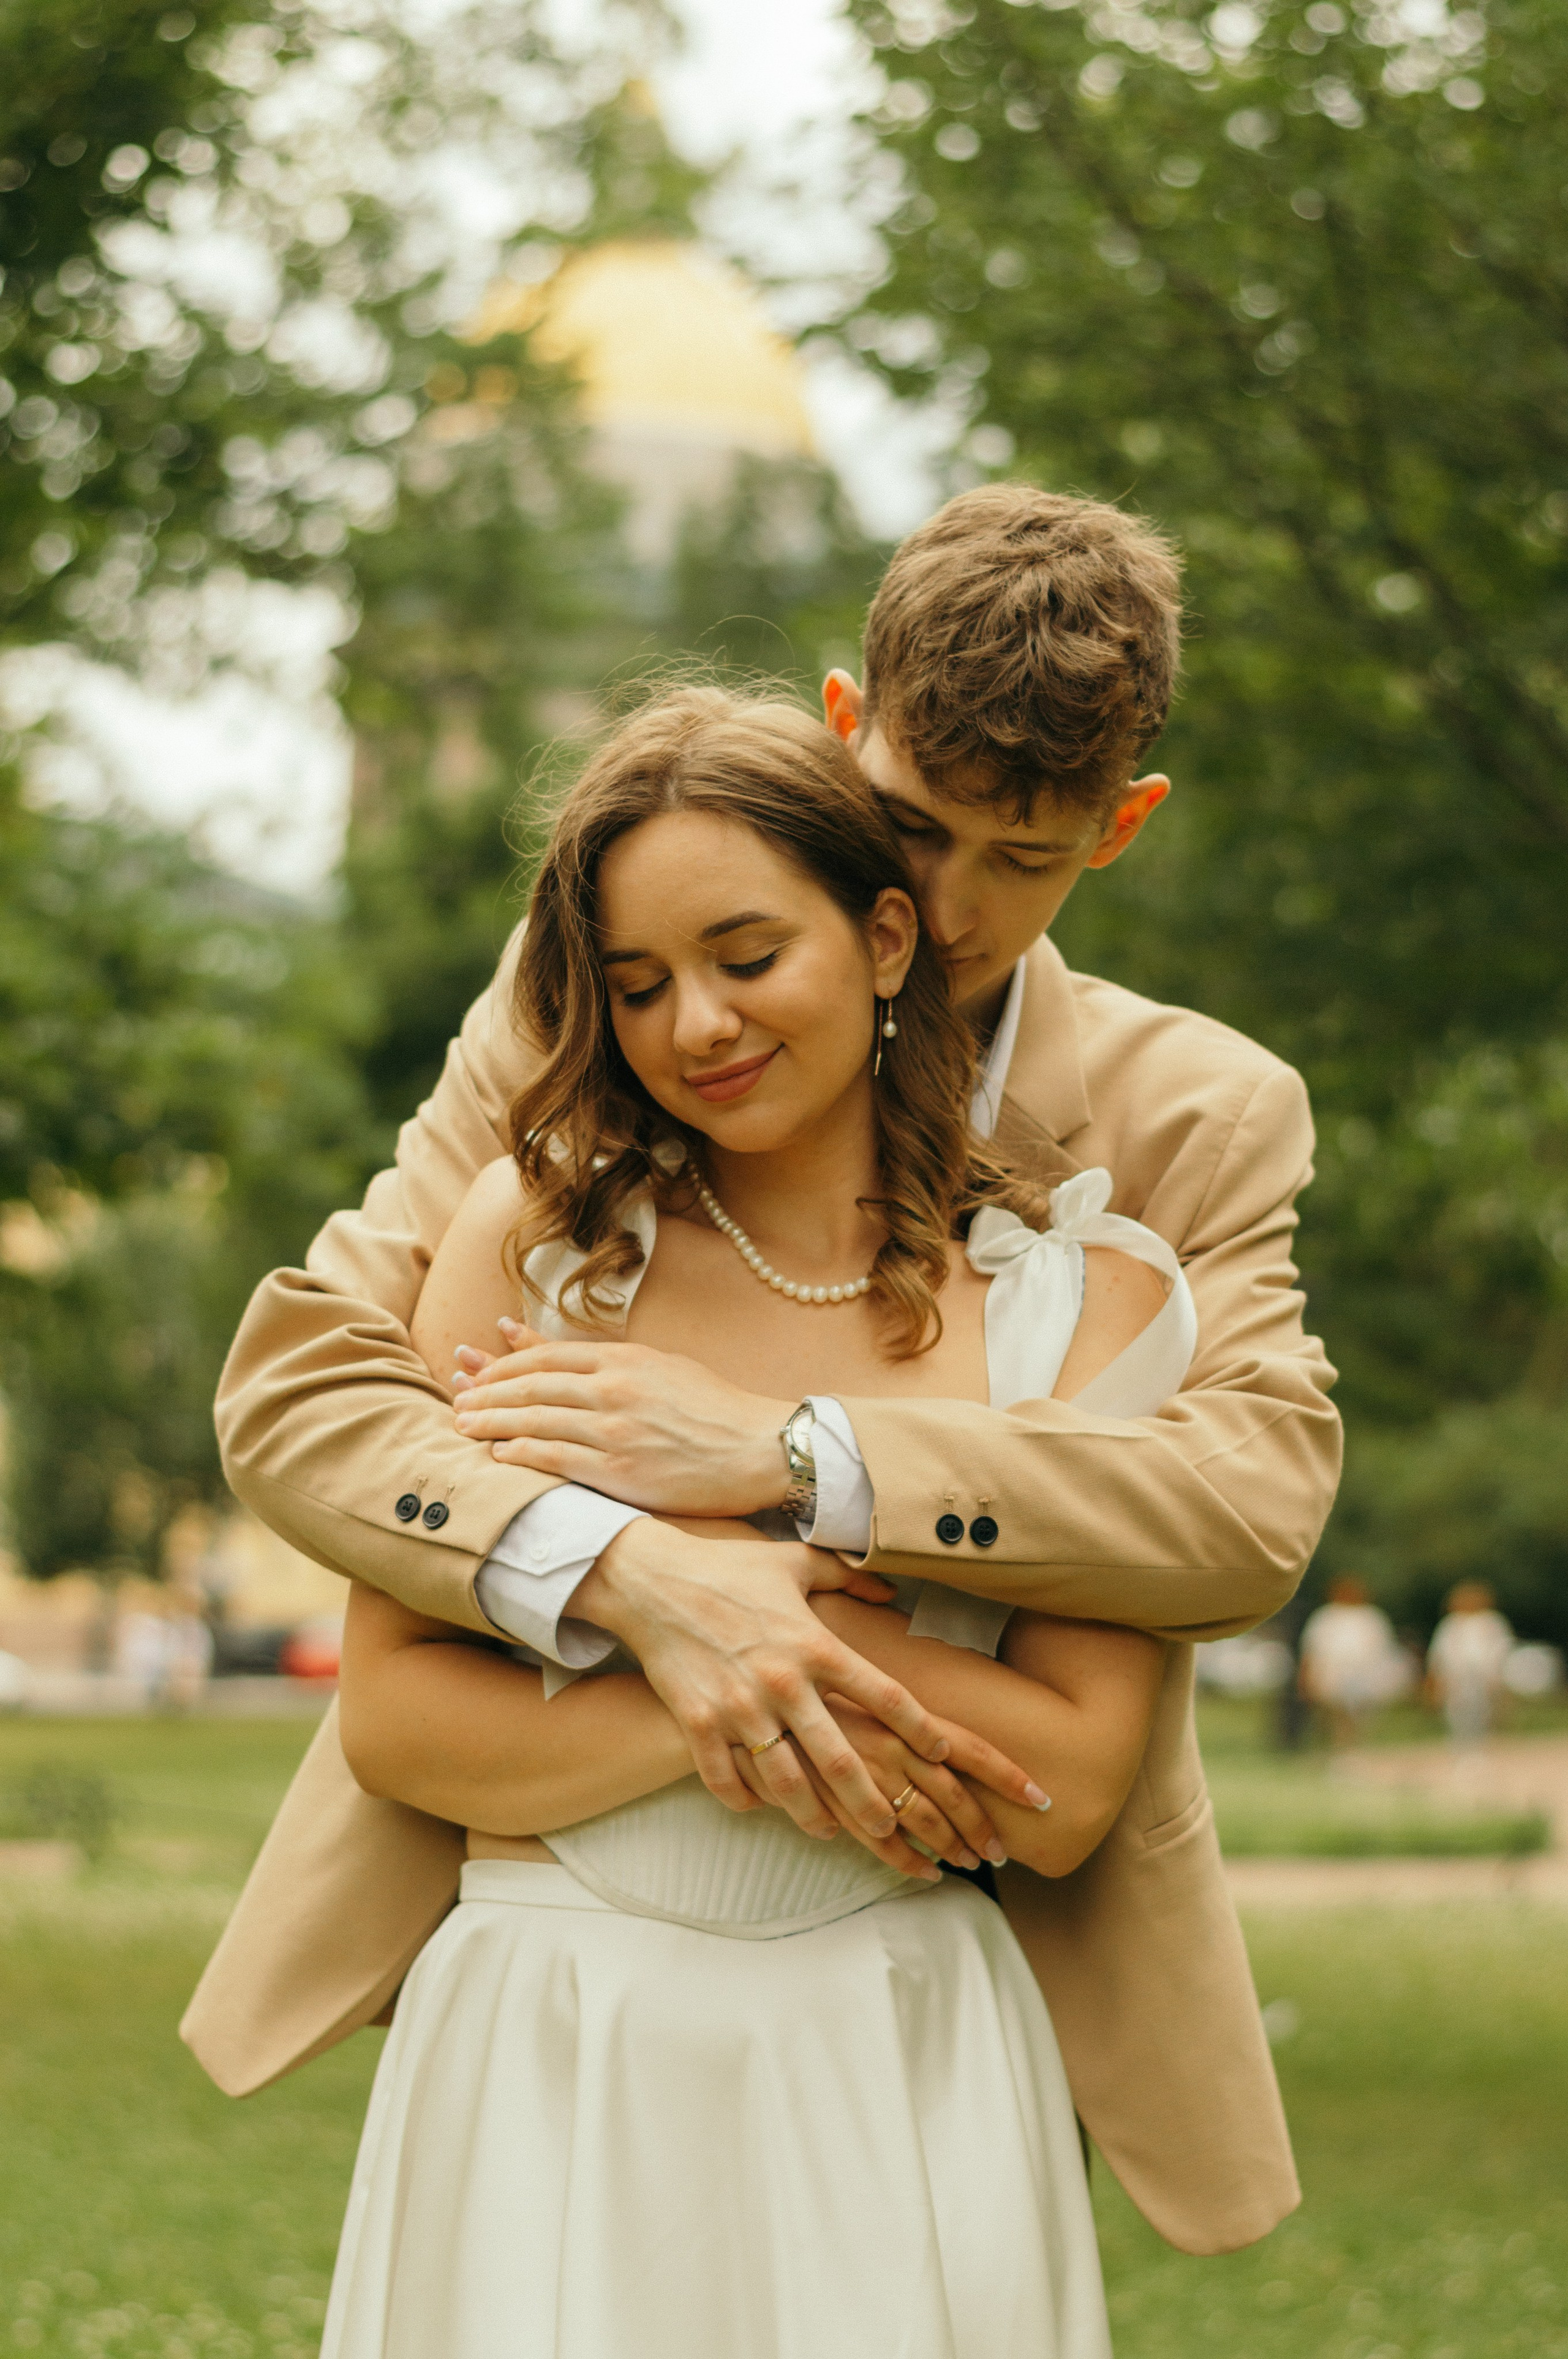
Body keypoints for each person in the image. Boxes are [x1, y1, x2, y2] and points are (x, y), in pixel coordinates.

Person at [184, 485, 1338, 2258]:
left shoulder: (1197, 1114)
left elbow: (1244, 1510)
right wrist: (629, 1577)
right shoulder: (599, 1011)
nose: (947, 907)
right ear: (840, 725)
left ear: (1121, 825)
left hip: (944, 1959)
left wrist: (800, 1460)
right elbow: (307, 1388)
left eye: (1023, 857)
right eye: (911, 829)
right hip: (554, 1937)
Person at [320, 687, 1196, 2359]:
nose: (695, 1025)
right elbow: (401, 1718)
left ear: (884, 937)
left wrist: (717, 1598)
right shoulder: (532, 1243)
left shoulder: (1072, 1306)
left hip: (898, 2034)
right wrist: (704, 1631)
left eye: (744, 955)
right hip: (551, 2028)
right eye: (637, 984)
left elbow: (1071, 1782)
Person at [1298, 1575, 1412, 1746]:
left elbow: (1384, 1651)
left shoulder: (1372, 1617)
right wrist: (1306, 1677)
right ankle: (1340, 1744)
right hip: (1332, 1675)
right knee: (1337, 1714)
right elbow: (1311, 1650)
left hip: (1365, 1676)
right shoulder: (1325, 1617)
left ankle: (1354, 1743)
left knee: (1360, 1714)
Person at [1427, 1581, 1515, 1745]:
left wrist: (1497, 1674)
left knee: (1484, 1708)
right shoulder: (1451, 1624)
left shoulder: (1492, 1621)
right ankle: (1460, 1741)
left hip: (1485, 1673)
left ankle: (1482, 1741)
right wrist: (1439, 1677)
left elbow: (1501, 1649)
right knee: (1457, 1708)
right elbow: (1440, 1652)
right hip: (1456, 1674)